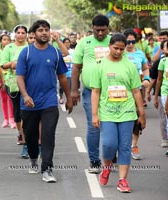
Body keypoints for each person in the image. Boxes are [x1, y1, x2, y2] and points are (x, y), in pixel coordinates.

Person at [17, 19, 73, 183]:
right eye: (40, 30)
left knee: (48, 135)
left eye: (46, 30)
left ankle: (47, 168)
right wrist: (26, 96)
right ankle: (34, 158)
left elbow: (62, 77)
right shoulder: (26, 53)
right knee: (31, 136)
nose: (44, 33)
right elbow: (19, 76)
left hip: (49, 101)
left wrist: (68, 98)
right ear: (33, 34)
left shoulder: (55, 53)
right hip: (29, 103)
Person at [91, 33, 146, 193]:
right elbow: (95, 91)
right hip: (107, 112)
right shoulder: (100, 65)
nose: (119, 51)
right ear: (110, 46)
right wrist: (95, 114)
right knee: (109, 144)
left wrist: (141, 113)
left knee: (124, 147)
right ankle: (107, 165)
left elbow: (136, 91)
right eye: (116, 48)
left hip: (127, 112)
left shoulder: (129, 66)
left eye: (122, 49)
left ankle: (122, 180)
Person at [71, 14, 111, 173]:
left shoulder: (114, 42)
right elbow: (76, 67)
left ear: (108, 28)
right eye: (97, 30)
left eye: (103, 30)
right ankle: (94, 161)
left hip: (112, 92)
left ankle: (109, 155)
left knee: (111, 124)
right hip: (89, 91)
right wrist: (74, 90)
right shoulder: (84, 42)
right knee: (93, 125)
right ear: (92, 28)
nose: (100, 34)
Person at [0, 24, 29, 157]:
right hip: (12, 83)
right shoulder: (8, 48)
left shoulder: (30, 48)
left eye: (23, 33)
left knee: (27, 111)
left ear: (26, 35)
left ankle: (27, 137)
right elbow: (3, 65)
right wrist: (12, 64)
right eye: (19, 32)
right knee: (17, 111)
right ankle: (20, 133)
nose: (21, 35)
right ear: (15, 34)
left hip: (29, 82)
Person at [123, 28, 150, 160]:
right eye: (128, 41)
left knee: (136, 119)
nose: (130, 44)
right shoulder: (119, 53)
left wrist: (146, 79)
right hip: (121, 92)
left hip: (137, 90)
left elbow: (145, 68)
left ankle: (134, 145)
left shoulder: (140, 54)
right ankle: (121, 146)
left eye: (133, 41)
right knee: (122, 118)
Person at [155, 38, 168, 156]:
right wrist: (155, 96)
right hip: (165, 93)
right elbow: (159, 79)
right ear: (167, 48)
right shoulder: (163, 61)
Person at [146, 40, 168, 148]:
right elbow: (154, 79)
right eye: (167, 46)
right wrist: (150, 93)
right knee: (164, 117)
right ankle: (165, 139)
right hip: (161, 94)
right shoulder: (159, 62)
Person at [0, 34, 15, 128]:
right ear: (1, 41)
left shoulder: (12, 52)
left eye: (8, 40)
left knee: (10, 99)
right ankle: (5, 119)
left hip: (11, 78)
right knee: (3, 99)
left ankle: (12, 119)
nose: (6, 41)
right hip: (1, 78)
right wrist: (2, 80)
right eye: (4, 39)